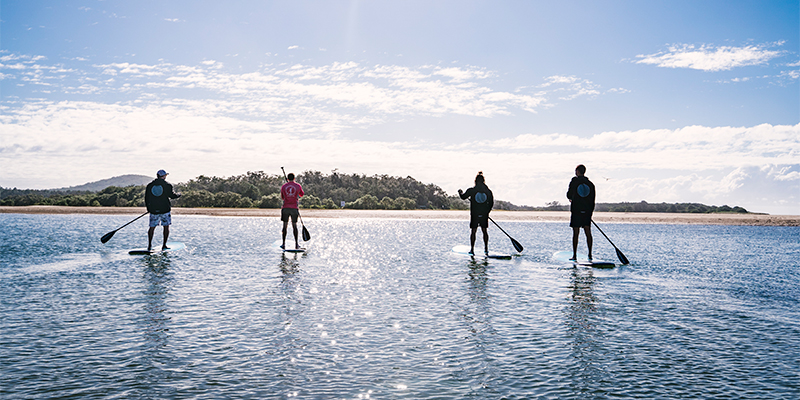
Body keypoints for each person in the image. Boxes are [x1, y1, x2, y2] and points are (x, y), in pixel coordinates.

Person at [458, 171, 494, 255]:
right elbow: (491, 203)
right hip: (484, 215)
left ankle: (472, 249)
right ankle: (486, 249)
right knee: (484, 231)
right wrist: (487, 212)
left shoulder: (472, 190)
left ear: (476, 181)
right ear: (483, 181)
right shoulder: (488, 192)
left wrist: (460, 192)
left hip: (475, 214)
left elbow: (463, 197)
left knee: (473, 231)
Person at [145, 169, 181, 251]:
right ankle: (164, 245)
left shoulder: (150, 185)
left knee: (152, 227)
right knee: (166, 227)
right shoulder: (167, 185)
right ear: (164, 176)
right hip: (165, 209)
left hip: (153, 210)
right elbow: (172, 196)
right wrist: (179, 195)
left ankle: (149, 245)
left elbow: (146, 198)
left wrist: (149, 208)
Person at [567, 164, 595, 260]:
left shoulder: (574, 182)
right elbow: (592, 200)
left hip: (576, 211)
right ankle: (590, 254)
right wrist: (590, 213)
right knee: (588, 232)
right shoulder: (591, 184)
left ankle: (574, 255)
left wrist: (571, 198)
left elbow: (569, 195)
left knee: (576, 233)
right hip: (587, 212)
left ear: (577, 172)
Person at [281, 172, 304, 249]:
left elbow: (282, 197)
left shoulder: (284, 186)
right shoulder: (297, 186)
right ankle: (296, 244)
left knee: (285, 226)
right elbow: (301, 194)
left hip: (285, 208)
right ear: (294, 178)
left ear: (287, 179)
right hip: (294, 208)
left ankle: (283, 243)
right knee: (294, 226)